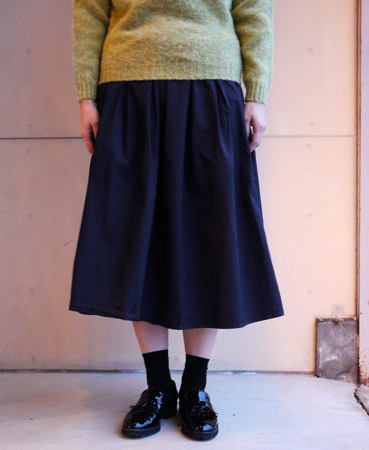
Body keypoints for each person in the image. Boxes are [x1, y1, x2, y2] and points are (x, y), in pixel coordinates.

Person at [69, 0, 283, 441]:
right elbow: (89, 10)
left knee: (209, 234)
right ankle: (158, 387)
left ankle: (195, 388)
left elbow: (254, 8)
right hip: (128, 87)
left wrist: (256, 93)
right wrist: (87, 95)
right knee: (137, 235)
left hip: (212, 84)